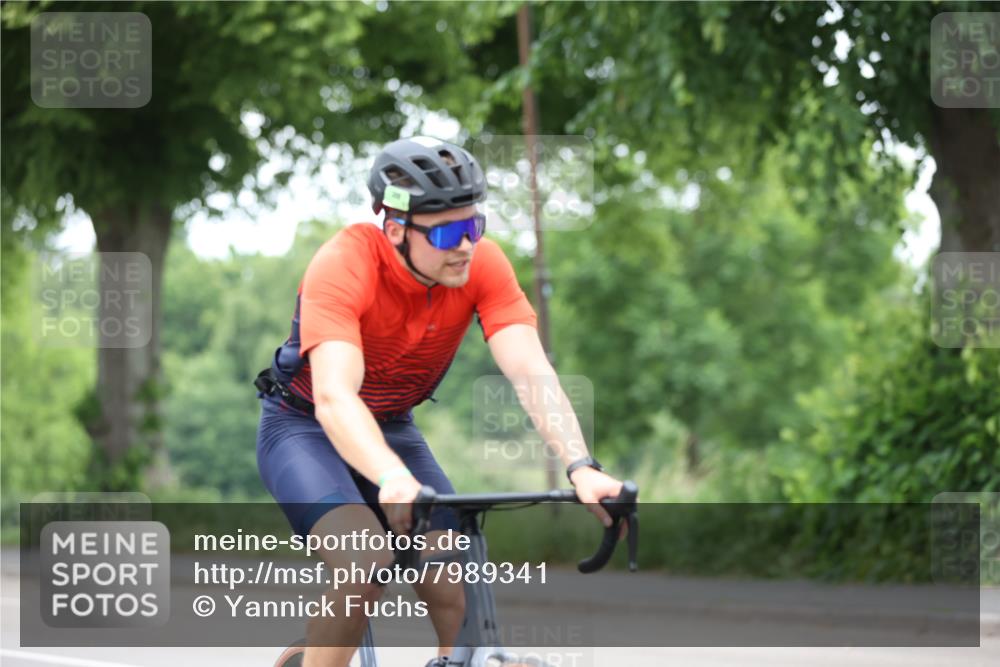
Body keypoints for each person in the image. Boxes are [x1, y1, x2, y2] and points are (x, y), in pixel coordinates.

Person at [255, 136, 623, 667]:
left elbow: (529, 368)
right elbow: (335, 397)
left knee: (455, 576)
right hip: (304, 428)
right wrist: (389, 475)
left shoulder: (482, 267)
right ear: (397, 229)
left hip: (393, 426)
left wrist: (581, 465)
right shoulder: (344, 263)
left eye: (474, 227)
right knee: (364, 561)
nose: (466, 246)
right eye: (449, 232)